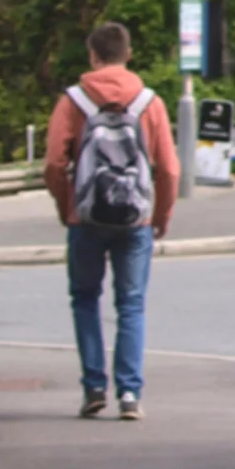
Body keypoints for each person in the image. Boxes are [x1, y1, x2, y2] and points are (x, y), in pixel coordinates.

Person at [44, 22, 180, 421]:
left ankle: (93, 387)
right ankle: (130, 394)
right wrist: (160, 215)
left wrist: (68, 206)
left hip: (86, 217)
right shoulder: (150, 103)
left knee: (85, 298)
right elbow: (169, 169)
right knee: (131, 305)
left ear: (92, 56)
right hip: (136, 219)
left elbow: (54, 164)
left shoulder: (73, 101)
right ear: (128, 54)